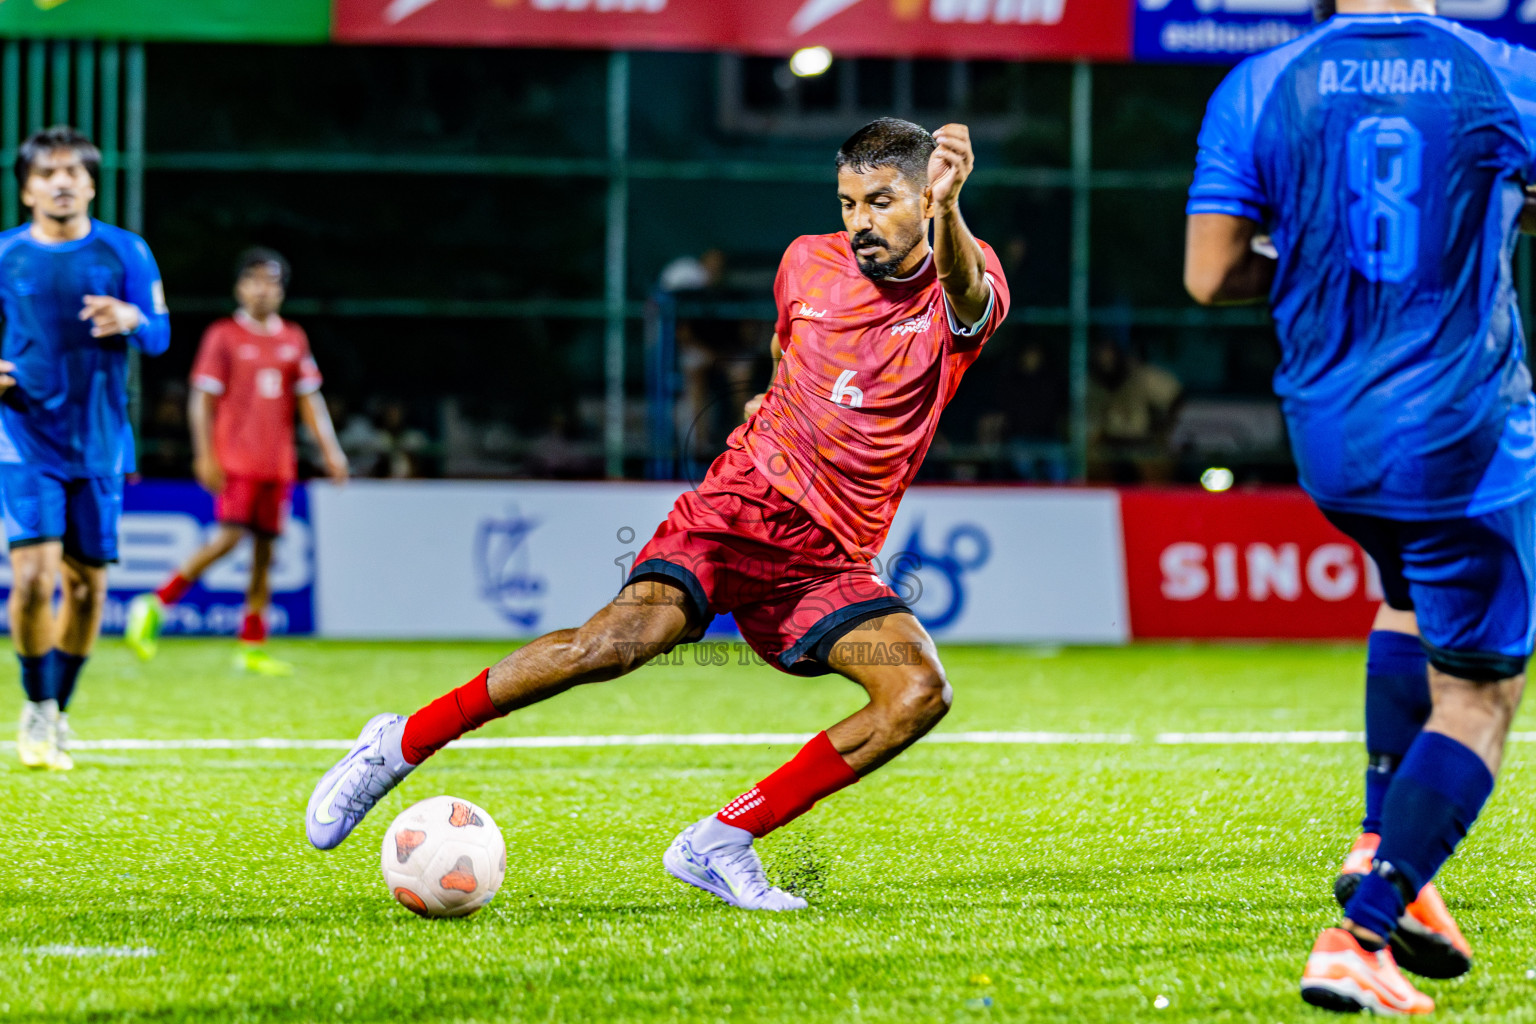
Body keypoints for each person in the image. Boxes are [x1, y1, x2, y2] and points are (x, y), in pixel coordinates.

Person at [303, 117, 1009, 910]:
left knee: (916, 692)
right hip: (740, 508)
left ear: (926, 196)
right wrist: (775, 401)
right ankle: (400, 743)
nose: (859, 223)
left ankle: (720, 841)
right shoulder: (806, 261)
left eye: (881, 203)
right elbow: (787, 353)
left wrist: (951, 212)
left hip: (831, 554)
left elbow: (968, 294)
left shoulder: (962, 283)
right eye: (848, 202)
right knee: (611, 645)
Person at [1185, 0, 1536, 1012]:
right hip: (1463, 435)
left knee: (1406, 601)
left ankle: (1387, 849)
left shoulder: (1256, 84)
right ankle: (1365, 925)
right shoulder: (1497, 69)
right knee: (1481, 695)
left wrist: (1323, 273)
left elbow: (1211, 274)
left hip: (1332, 435)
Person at [0, 125, 170, 770]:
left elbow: (159, 336)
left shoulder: (126, 253)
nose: (62, 181)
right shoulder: (5, 255)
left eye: (73, 171)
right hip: (22, 437)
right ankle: (35, 705)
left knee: (89, 589)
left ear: (92, 184)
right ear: (27, 190)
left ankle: (60, 710)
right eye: (47, 173)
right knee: (34, 578)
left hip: (99, 443)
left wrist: (132, 320)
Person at [124, 249, 347, 675]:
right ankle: (155, 602)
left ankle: (251, 644)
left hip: (277, 463)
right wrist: (205, 453)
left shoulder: (292, 338)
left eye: (272, 282)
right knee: (228, 539)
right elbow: (201, 401)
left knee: (265, 553)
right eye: (255, 280)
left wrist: (330, 450)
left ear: (281, 290)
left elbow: (310, 400)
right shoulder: (223, 336)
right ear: (239, 287)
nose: (263, 290)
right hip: (237, 460)